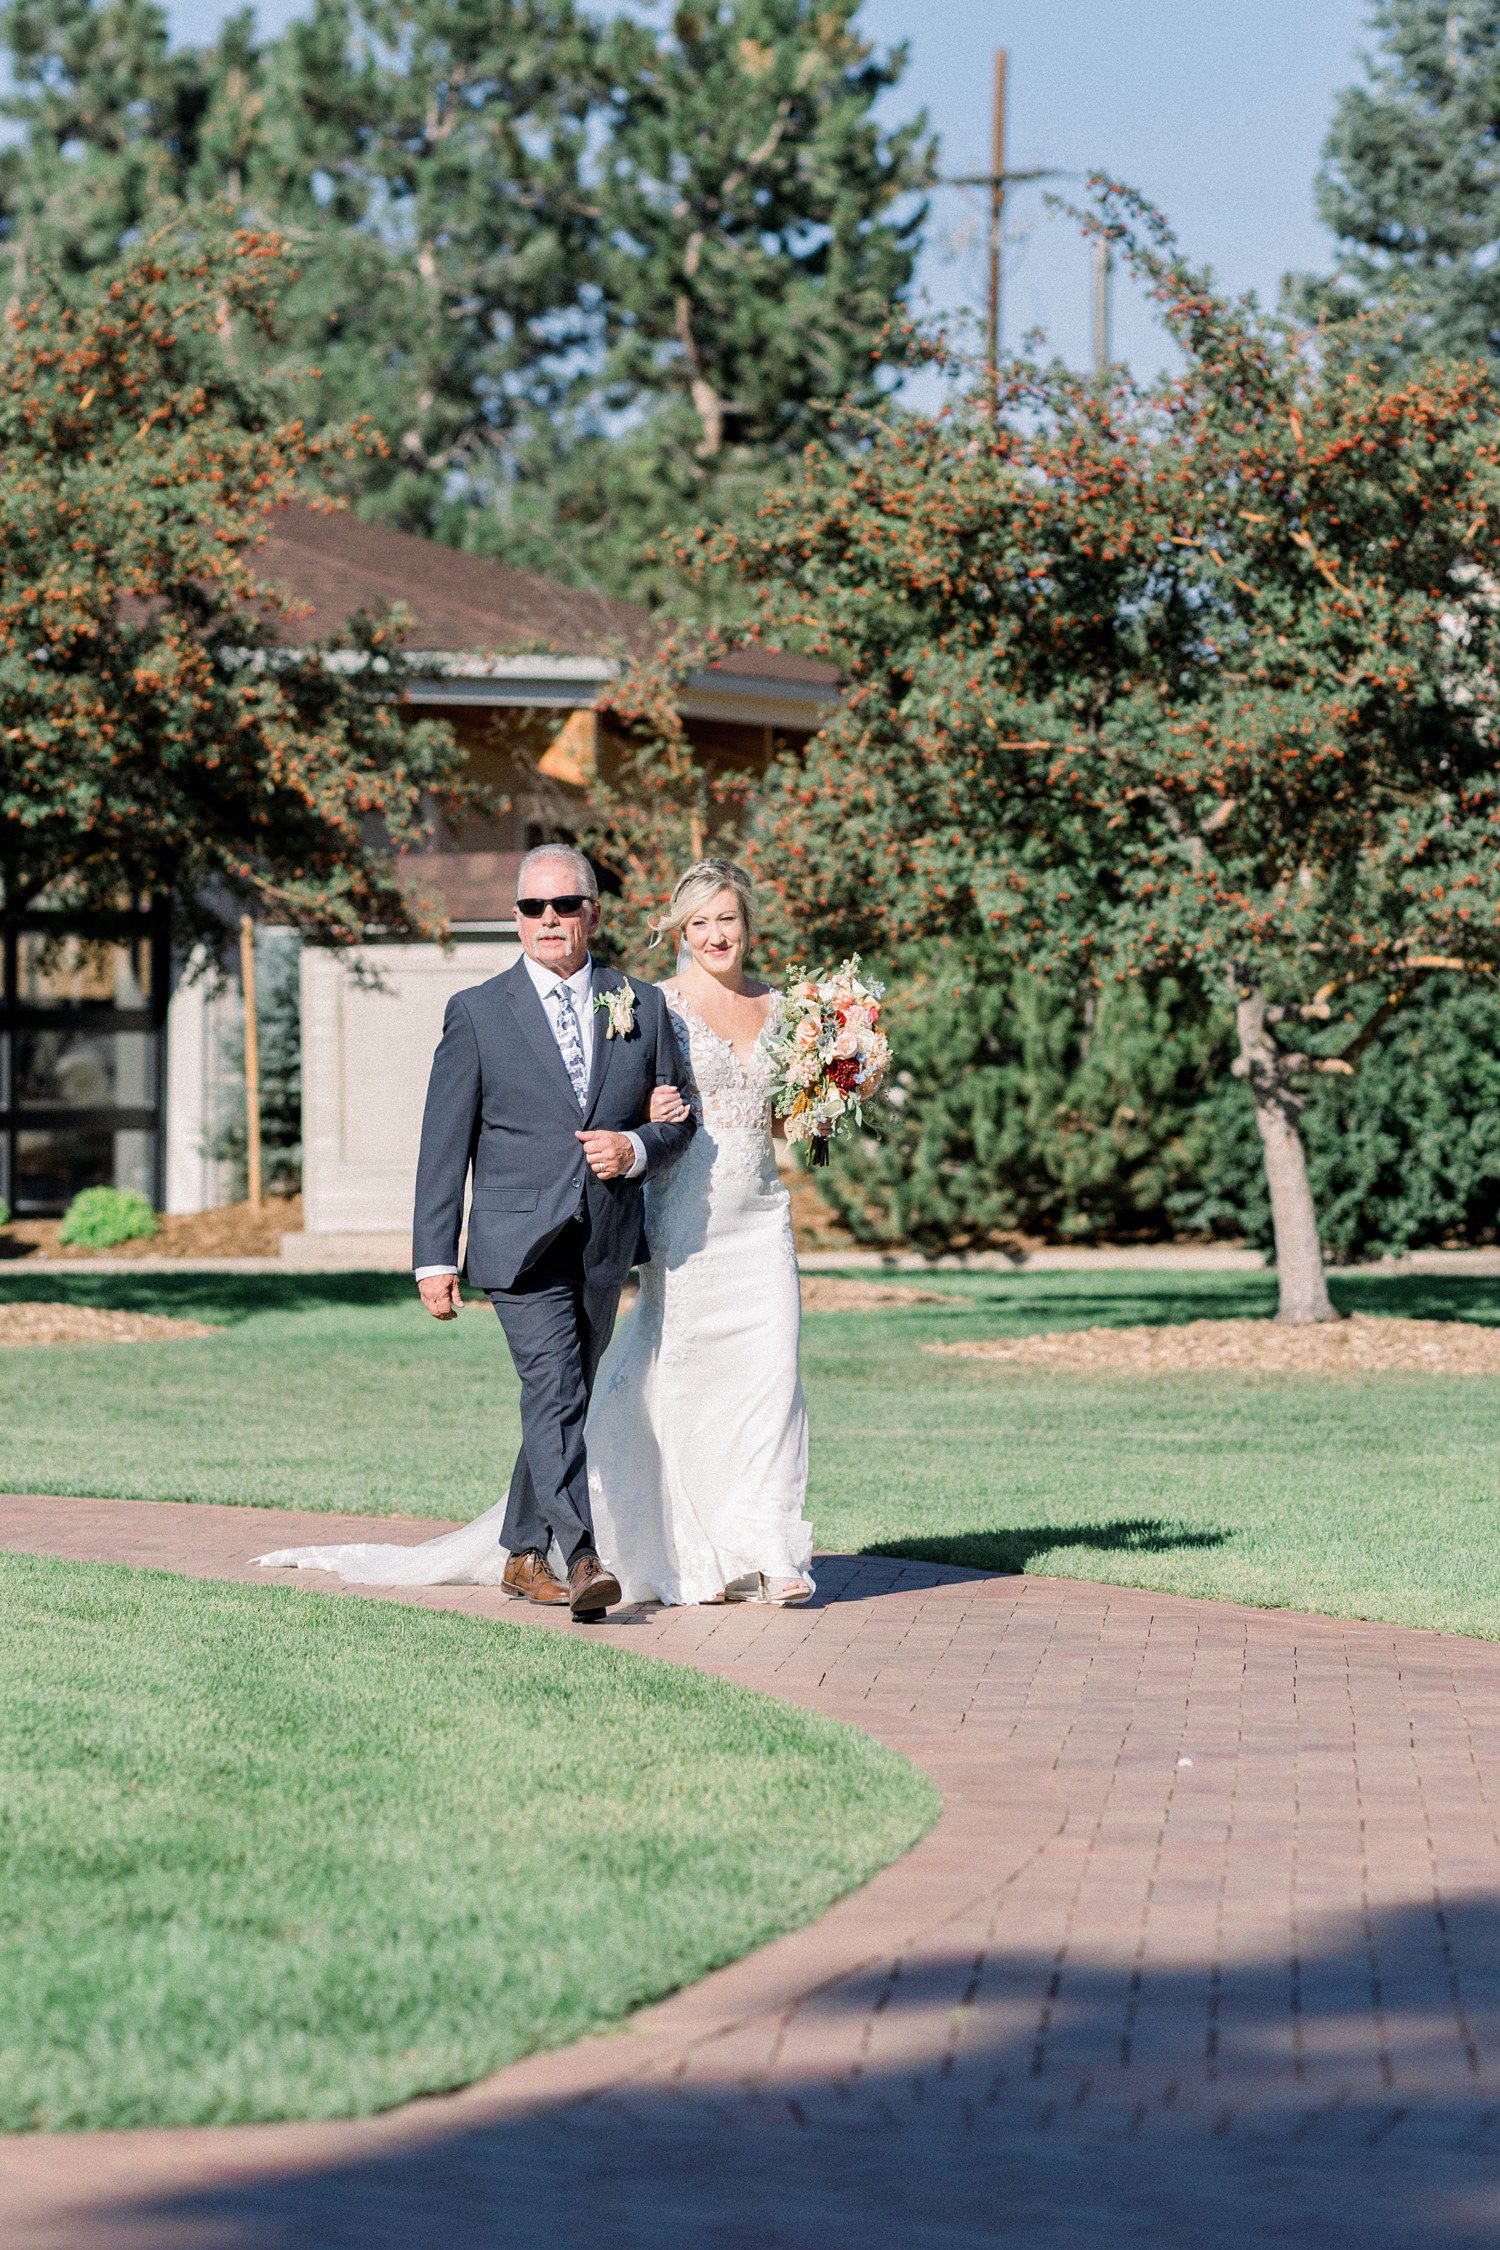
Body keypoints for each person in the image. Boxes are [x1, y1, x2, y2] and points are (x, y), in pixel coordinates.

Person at [253, 845, 695, 1618]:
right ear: (516, 920)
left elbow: (675, 1117)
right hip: (514, 1242)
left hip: (603, 1237)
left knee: (568, 1396)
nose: (549, 920)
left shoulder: (640, 1004)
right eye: (533, 908)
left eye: (564, 906)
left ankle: (522, 1556)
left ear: (593, 912)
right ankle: (580, 1554)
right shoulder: (479, 1012)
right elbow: (443, 1143)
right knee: (554, 1385)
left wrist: (635, 1147)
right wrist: (432, 1256)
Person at [586, 857, 815, 1608]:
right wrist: (649, 1110)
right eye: (701, 922)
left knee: (772, 1378)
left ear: (747, 923)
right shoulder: (656, 1005)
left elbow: (784, 1119)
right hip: (686, 1216)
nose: (717, 934)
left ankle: (774, 1551)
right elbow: (622, 1104)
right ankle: (690, 1548)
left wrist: (838, 1084)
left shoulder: (783, 1008)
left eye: (728, 918)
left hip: (762, 1217)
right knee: (687, 1382)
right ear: (681, 929)